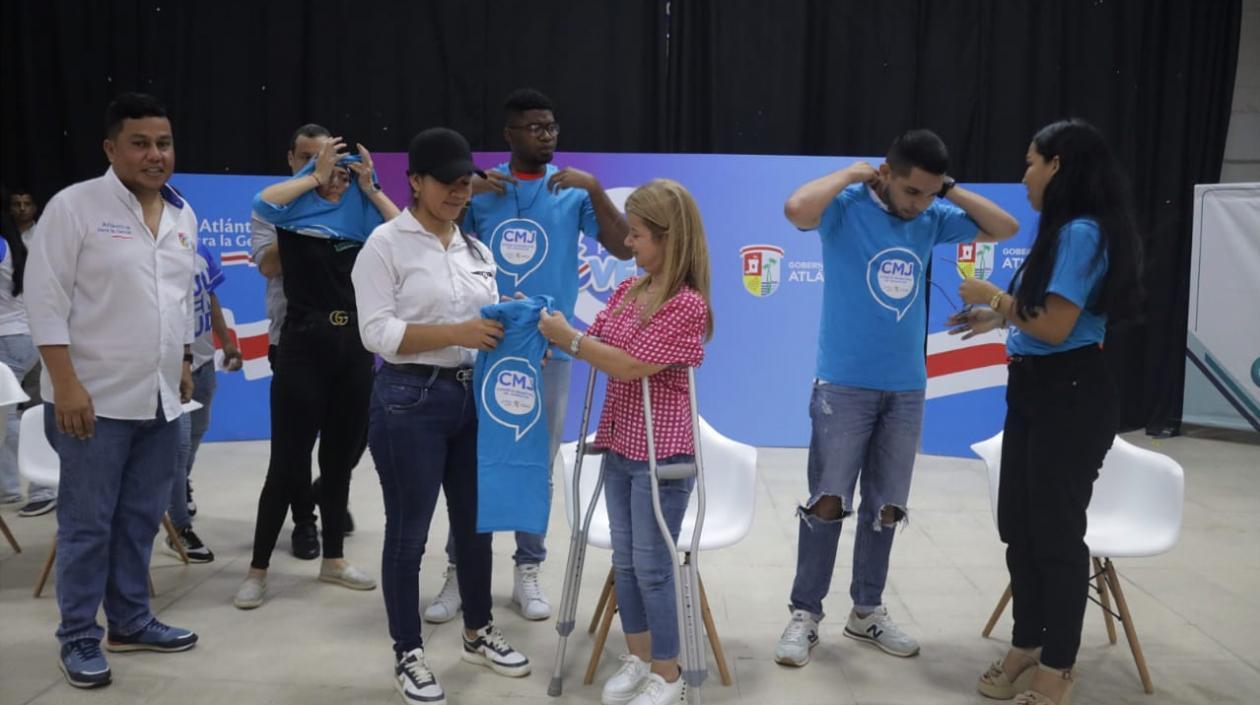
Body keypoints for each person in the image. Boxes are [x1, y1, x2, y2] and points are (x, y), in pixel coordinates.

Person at [774, 129, 1020, 667]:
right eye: (912, 192)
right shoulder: (843, 208)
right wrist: (850, 173)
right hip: (842, 383)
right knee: (827, 501)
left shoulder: (932, 216)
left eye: (929, 194)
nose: (919, 205)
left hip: (906, 387)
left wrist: (946, 190)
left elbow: (1007, 227)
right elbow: (796, 209)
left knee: (886, 507)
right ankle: (805, 615)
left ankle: (866, 611)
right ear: (885, 174)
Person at [953, 118, 1143, 705]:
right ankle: (1026, 644)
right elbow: (1044, 317)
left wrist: (993, 297)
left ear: (1057, 165)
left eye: (1031, 162)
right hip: (1037, 389)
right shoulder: (1065, 232)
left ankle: (1057, 666)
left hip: (1071, 392)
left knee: (1056, 538)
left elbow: (1058, 328)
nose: (1024, 175)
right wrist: (995, 318)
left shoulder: (1082, 233)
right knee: (1021, 527)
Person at [425, 88, 632, 624]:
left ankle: (527, 568)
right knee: (474, 462)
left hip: (550, 351)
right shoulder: (482, 188)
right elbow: (439, 242)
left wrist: (595, 186)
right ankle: (459, 573)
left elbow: (624, 246)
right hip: (485, 347)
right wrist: (467, 185)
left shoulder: (571, 192)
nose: (547, 134)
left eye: (552, 126)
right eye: (535, 127)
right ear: (509, 135)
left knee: (535, 463)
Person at [24, 92, 200, 689]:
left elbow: (175, 301)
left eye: (164, 143)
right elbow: (44, 303)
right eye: (141, 143)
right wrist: (65, 385)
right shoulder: (74, 208)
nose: (155, 154)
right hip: (91, 401)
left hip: (158, 398)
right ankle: (78, 637)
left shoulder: (183, 215)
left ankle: (128, 621)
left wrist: (179, 361)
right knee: (86, 524)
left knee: (140, 519)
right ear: (110, 148)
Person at [354, 127, 531, 703]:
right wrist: (457, 332)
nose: (459, 193)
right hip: (408, 400)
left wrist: (525, 330)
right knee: (409, 537)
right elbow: (376, 333)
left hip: (472, 400)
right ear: (414, 182)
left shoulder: (476, 250)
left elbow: (490, 328)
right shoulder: (384, 244)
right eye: (447, 183)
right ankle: (408, 652)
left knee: (476, 528)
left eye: (465, 184)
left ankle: (477, 632)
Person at [539, 178, 712, 705]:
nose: (628, 244)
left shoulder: (687, 305)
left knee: (655, 565)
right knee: (628, 562)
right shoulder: (631, 289)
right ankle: (639, 658)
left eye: (638, 235)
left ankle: (669, 673)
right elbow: (607, 343)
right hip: (620, 442)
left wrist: (569, 338)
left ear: (669, 238)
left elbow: (628, 363)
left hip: (664, 452)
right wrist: (574, 335)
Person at [233, 133, 398, 609]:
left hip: (354, 348)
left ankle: (334, 561)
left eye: (343, 169)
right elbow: (262, 201)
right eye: (333, 168)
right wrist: (313, 176)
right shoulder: (294, 210)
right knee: (286, 463)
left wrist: (369, 185)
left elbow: (406, 232)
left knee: (339, 460)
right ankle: (258, 569)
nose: (337, 178)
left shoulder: (363, 212)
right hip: (302, 342)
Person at [249, 123, 343, 561]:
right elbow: (268, 265)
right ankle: (304, 522)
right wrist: (304, 210)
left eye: (324, 158)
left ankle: (324, 492)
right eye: (307, 158)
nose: (317, 166)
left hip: (345, 339)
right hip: (289, 335)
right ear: (292, 159)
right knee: (296, 444)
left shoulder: (346, 204)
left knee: (352, 438)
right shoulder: (273, 205)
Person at [163, 240, 242, 563]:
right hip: (166, 368)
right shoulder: (148, 251)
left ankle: (180, 489)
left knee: (197, 432)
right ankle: (179, 527)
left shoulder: (199, 250)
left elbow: (210, 299)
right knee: (178, 446)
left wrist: (228, 343)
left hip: (203, 360)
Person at [1, 189, 58, 516]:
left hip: (10, 338)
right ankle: (18, 487)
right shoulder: (20, 247)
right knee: (33, 411)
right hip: (31, 336)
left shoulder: (9, 245)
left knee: (8, 416)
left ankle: (37, 484)